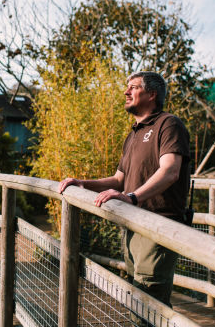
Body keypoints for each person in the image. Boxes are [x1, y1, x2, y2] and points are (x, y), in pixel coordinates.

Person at [58, 71, 190, 307]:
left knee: (150, 300)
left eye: (133, 87)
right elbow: (120, 179)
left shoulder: (168, 124)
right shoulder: (133, 134)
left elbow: (170, 171)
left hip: (158, 224)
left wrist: (132, 197)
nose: (126, 92)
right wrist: (83, 184)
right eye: (127, 87)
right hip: (132, 223)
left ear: (152, 94)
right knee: (136, 297)